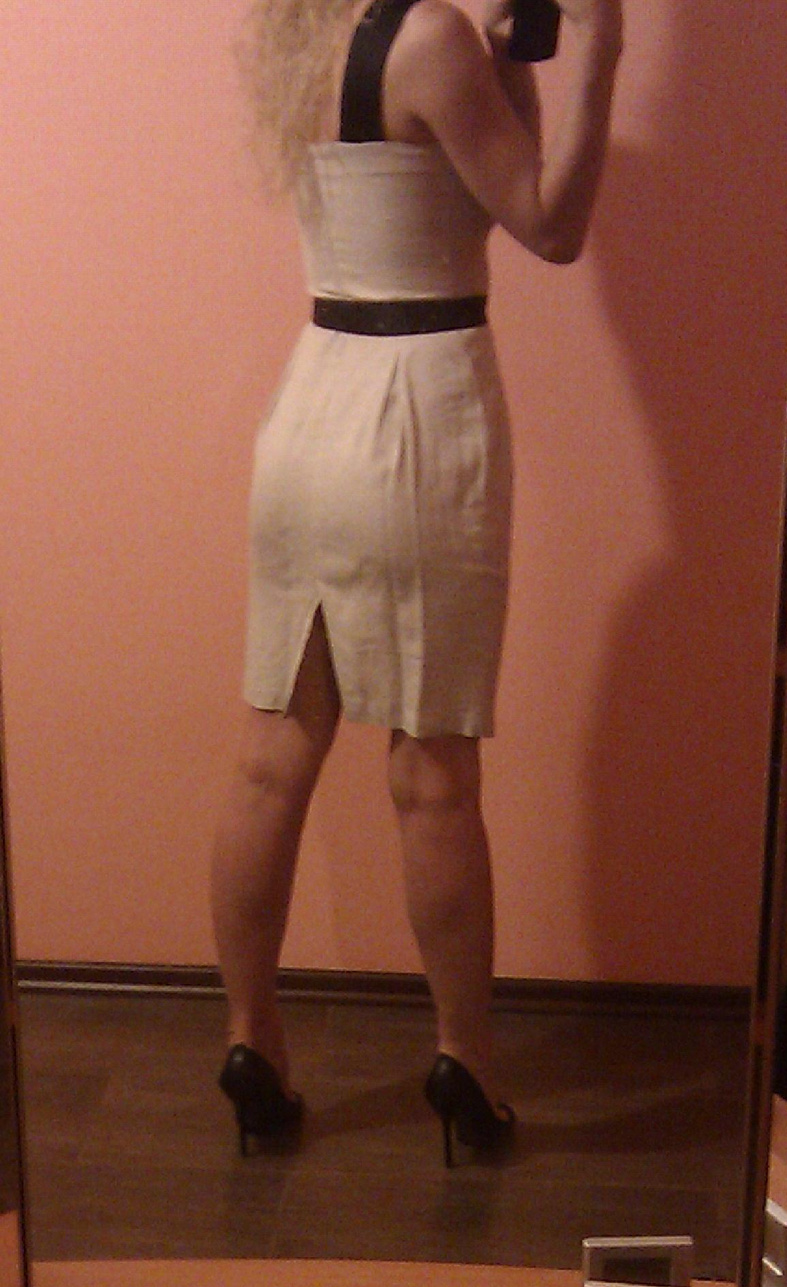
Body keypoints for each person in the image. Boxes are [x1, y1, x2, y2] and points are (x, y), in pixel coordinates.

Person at [211, 0, 622, 1165]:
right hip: (421, 411)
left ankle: (249, 1039)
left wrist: (508, 72)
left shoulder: (306, 30)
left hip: (311, 404)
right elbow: (550, 223)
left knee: (270, 752)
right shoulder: (429, 37)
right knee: (431, 772)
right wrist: (600, 52)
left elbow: (462, 188)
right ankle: (464, 1061)